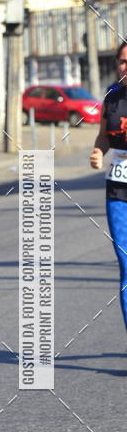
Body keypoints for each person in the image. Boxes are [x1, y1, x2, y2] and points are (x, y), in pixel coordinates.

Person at [90, 42, 127, 328]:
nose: (125, 67)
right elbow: (104, 135)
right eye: (122, 61)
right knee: (126, 265)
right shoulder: (112, 96)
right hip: (118, 188)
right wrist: (98, 151)